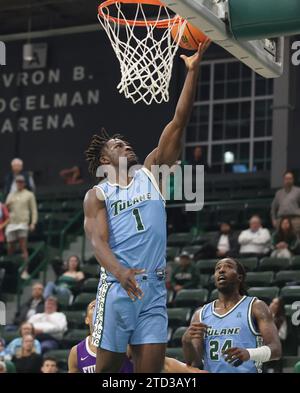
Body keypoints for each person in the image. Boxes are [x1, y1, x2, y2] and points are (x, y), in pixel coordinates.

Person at [83, 40, 211, 373]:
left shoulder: (151, 172)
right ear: (103, 159)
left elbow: (178, 123)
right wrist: (119, 271)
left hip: (154, 286)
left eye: (125, 142)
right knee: (108, 373)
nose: (125, 144)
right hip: (117, 286)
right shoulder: (98, 193)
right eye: (117, 144)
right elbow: (97, 242)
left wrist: (192, 73)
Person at [182, 258, 282, 373]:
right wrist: (186, 342)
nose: (221, 270)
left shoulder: (255, 306)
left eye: (228, 266)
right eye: (218, 268)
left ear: (239, 277)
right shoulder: (200, 314)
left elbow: (276, 350)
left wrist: (249, 353)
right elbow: (195, 364)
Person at [68, 300, 206, 374]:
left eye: (101, 304)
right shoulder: (77, 352)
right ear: (86, 319)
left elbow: (163, 364)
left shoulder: (125, 344)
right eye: (93, 306)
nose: (98, 307)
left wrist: (190, 371)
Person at [5, 174, 38, 279]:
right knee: (10, 247)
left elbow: (33, 209)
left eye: (21, 182)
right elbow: (5, 208)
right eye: (17, 182)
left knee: (23, 246)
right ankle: (9, 269)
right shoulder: (11, 194)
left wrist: (33, 223)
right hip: (11, 223)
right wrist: (7, 204)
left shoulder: (29, 194)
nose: (19, 184)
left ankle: (25, 270)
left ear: (24, 183)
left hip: (23, 223)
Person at [271, 171, 300, 236]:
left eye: (290, 179)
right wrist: (273, 220)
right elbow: (273, 208)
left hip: (295, 219)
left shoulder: (298, 191)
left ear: (293, 180)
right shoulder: (278, 193)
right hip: (281, 219)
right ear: (284, 180)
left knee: (296, 240)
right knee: (281, 239)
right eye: (286, 179)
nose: (288, 181)